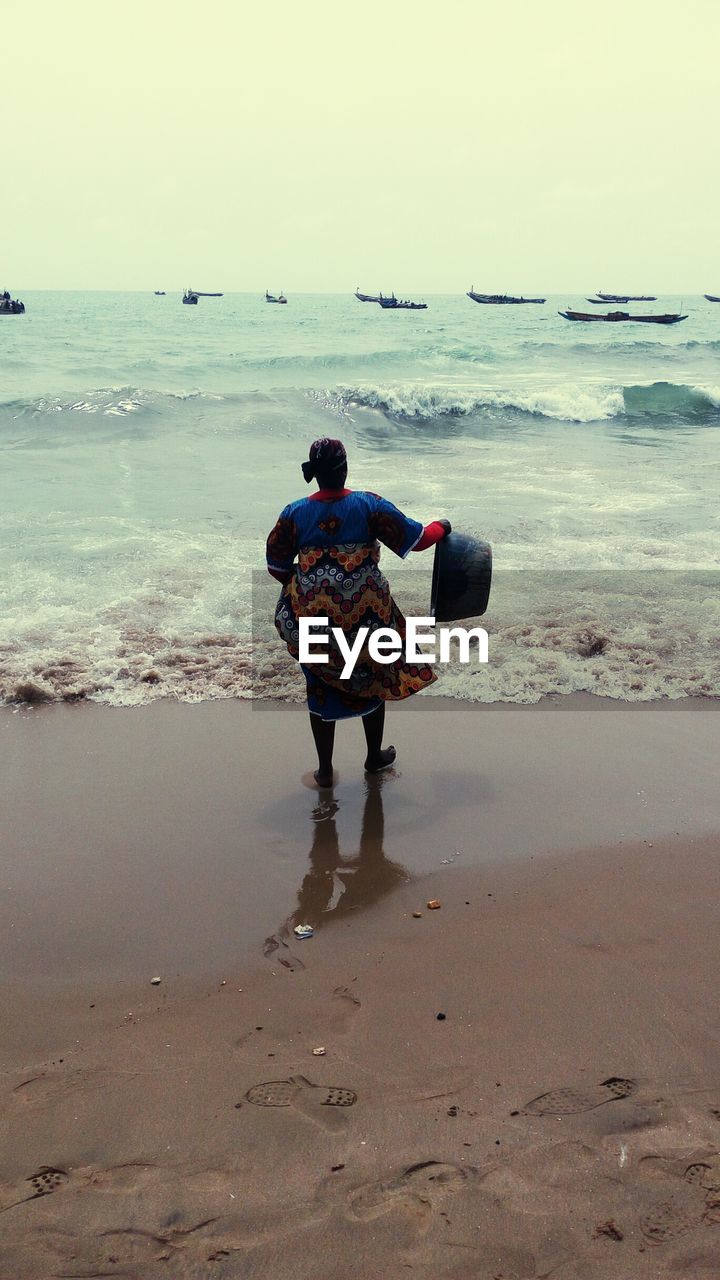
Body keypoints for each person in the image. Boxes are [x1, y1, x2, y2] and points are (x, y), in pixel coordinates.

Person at [266, 437, 450, 787]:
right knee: (375, 675)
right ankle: (373, 756)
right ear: (346, 468)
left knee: (318, 680)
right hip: (368, 617)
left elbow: (276, 565)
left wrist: (312, 582)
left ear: (314, 475)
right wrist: (444, 526)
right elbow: (419, 539)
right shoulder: (368, 505)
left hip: (316, 622)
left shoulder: (293, 514)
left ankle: (324, 769)